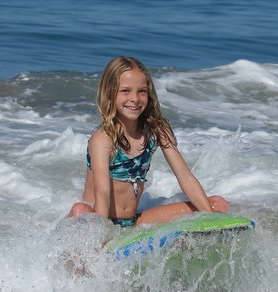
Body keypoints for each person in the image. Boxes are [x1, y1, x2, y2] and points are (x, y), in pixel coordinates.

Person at [68, 56, 229, 227]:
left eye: (142, 91)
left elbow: (185, 177)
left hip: (132, 221)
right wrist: (102, 237)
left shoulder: (157, 131)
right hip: (97, 219)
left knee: (217, 204)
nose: (135, 99)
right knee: (80, 209)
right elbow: (102, 194)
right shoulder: (103, 138)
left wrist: (210, 218)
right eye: (125, 91)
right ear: (109, 93)